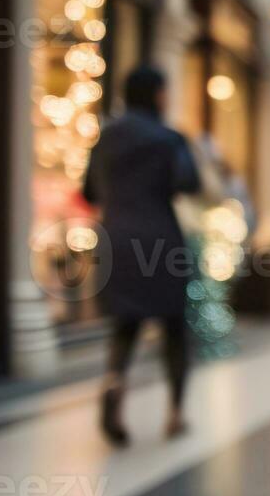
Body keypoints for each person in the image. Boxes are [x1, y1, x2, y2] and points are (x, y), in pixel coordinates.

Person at [82, 66, 200, 446]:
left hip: (115, 240)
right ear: (157, 94)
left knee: (125, 325)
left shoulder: (106, 137)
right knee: (175, 328)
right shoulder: (169, 138)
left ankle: (115, 382)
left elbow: (88, 192)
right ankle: (176, 413)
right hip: (161, 242)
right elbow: (188, 183)